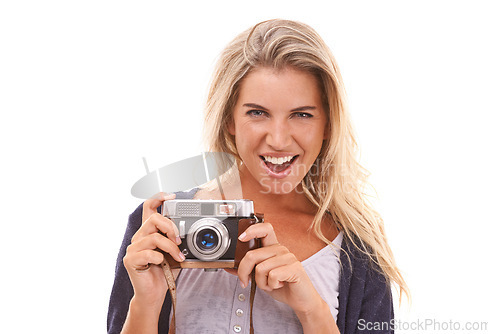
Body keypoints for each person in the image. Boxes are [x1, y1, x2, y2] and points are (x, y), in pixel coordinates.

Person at [108, 19, 409, 334]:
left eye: (302, 114)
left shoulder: (357, 245)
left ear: (328, 125)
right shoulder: (159, 226)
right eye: (257, 112)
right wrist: (145, 302)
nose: (278, 139)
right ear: (229, 119)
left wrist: (312, 310)